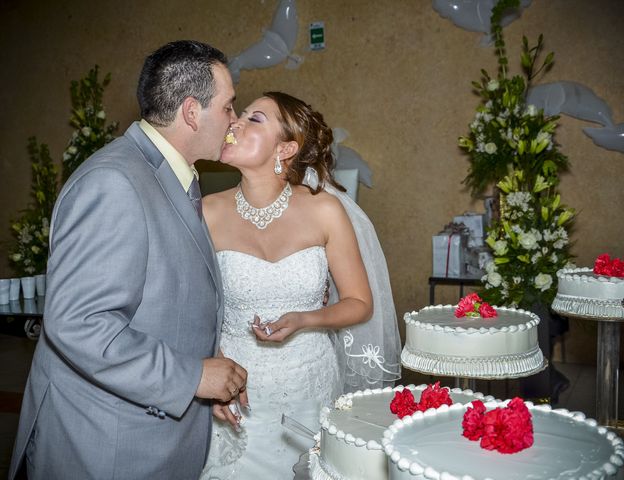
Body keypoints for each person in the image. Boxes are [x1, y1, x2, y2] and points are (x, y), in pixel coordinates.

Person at [9, 40, 248, 480]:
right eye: (229, 106)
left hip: (150, 437)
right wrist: (191, 378)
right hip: (106, 447)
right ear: (192, 112)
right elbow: (80, 322)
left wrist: (203, 384)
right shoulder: (114, 183)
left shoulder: (173, 177)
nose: (234, 120)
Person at [199, 91, 401, 479]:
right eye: (238, 115)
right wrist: (214, 367)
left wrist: (306, 319)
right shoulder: (206, 211)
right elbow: (193, 307)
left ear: (286, 147)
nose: (234, 124)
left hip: (308, 385)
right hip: (235, 387)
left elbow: (360, 302)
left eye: (254, 119)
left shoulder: (324, 210)